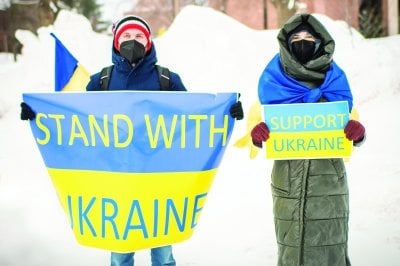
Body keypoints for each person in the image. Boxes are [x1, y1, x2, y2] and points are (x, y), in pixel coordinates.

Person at [21, 14, 243, 266]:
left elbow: (192, 118)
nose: (132, 40)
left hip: (159, 176)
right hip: (116, 179)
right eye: (126, 36)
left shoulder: (167, 80)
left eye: (139, 36)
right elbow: (76, 119)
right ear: (116, 41)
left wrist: (225, 113)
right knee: (120, 252)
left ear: (148, 42)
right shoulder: (100, 81)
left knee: (162, 249)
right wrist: (39, 115)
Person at [250, 14, 365, 266]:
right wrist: (257, 135)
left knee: (330, 249)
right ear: (286, 43)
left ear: (320, 42)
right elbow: (259, 124)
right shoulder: (273, 81)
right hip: (287, 181)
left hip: (328, 183)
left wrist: (358, 133)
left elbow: (349, 124)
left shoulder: (334, 80)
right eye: (297, 38)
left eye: (309, 38)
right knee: (291, 250)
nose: (302, 42)